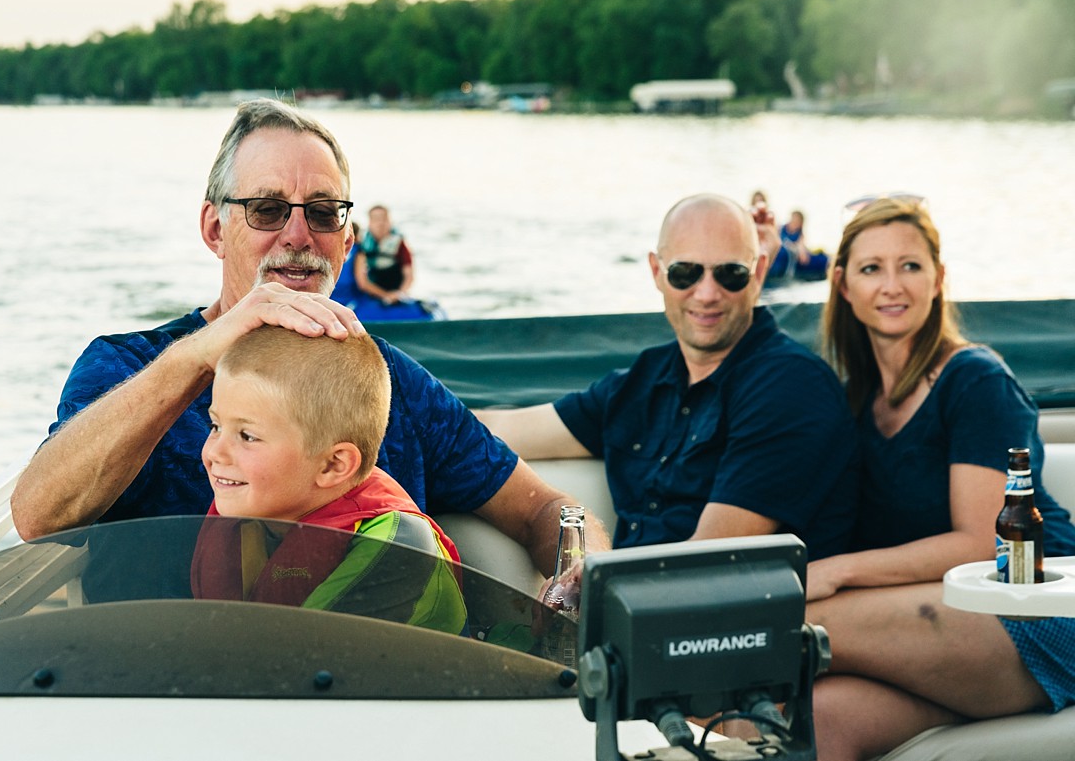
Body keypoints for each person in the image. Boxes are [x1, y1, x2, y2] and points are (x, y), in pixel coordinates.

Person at [10, 97, 609, 578]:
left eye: (323, 213)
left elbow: (542, 509)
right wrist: (200, 354)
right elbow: (38, 515)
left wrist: (579, 563)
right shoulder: (130, 366)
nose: (299, 234)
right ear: (214, 228)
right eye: (268, 209)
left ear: (347, 241)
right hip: (161, 693)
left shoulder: (388, 381)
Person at [805, 196, 1075, 761]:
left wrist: (838, 571)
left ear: (938, 277)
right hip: (953, 625)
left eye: (910, 265)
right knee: (821, 721)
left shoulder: (974, 381)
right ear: (843, 285)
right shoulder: (851, 402)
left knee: (800, 620)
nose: (892, 285)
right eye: (871, 268)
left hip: (1034, 607)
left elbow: (982, 541)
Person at [476, 193, 858, 561]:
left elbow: (705, 563)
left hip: (716, 615)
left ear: (758, 272)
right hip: (630, 602)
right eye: (685, 273)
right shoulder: (640, 383)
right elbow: (499, 429)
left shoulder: (790, 387)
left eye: (731, 274)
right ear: (657, 272)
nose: (707, 293)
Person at [189, 325, 466, 635]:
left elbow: (301, 660)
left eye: (247, 436)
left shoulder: (399, 546)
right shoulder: (258, 501)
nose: (215, 452)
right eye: (215, 426)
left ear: (332, 465)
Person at [355, 204, 414, 305]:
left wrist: (399, 294)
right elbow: (362, 281)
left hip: (396, 291)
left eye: (384, 219)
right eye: (376, 219)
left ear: (390, 222)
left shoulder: (399, 243)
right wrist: (385, 295)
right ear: (369, 223)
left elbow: (409, 276)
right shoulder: (362, 244)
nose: (380, 223)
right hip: (372, 292)